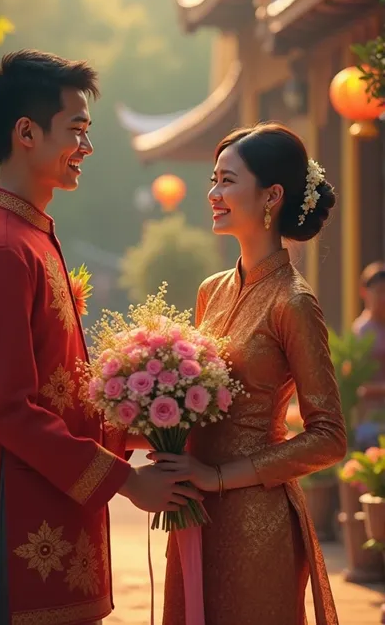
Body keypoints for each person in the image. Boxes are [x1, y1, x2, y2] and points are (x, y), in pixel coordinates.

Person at [0, 50, 200, 625]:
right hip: (20, 537)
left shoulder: (29, 237)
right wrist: (126, 481)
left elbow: (61, 392)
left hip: (52, 524)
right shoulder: (3, 249)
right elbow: (9, 411)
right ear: (26, 132)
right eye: (76, 130)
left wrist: (160, 423)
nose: (87, 147)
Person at [150, 122, 347, 625]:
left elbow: (328, 437)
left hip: (257, 522)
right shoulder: (210, 290)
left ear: (272, 195)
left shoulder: (294, 302)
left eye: (227, 181)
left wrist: (217, 477)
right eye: (213, 180)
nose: (213, 194)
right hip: (194, 509)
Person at [352, 262, 385, 438]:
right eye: (379, 291)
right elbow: (357, 384)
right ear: (365, 292)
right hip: (370, 418)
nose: (383, 298)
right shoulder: (361, 331)